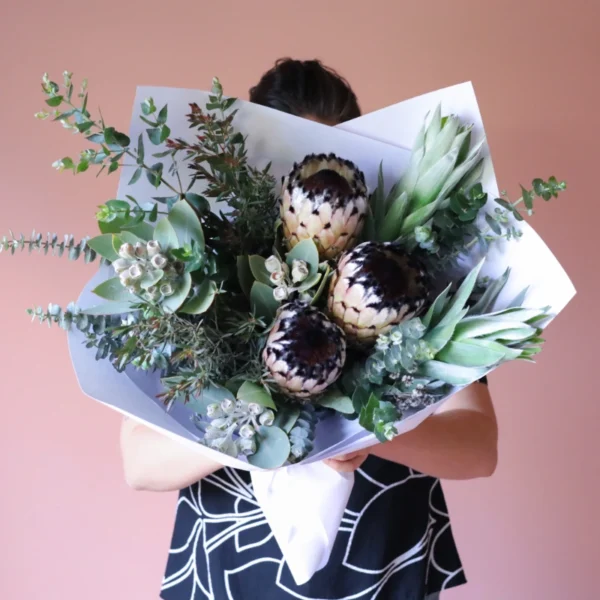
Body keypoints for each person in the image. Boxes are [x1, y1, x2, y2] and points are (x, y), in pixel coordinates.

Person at [120, 58, 498, 600]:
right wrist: (255, 428)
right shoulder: (195, 279)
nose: (316, 202)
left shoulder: (409, 276)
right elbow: (138, 461)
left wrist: (373, 430)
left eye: (331, 177)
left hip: (381, 559)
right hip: (233, 567)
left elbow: (479, 447)